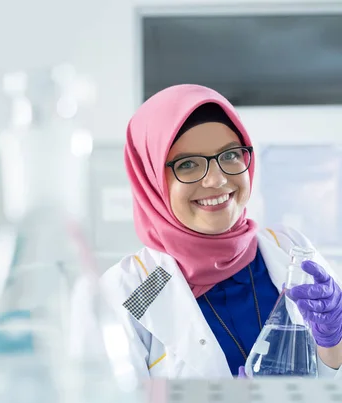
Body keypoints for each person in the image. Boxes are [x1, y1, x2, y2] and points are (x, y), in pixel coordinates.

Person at [101, 84, 342, 380]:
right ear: (150, 179)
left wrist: (333, 344)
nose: (216, 179)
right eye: (187, 164)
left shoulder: (288, 248)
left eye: (229, 155)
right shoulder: (133, 289)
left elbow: (331, 383)